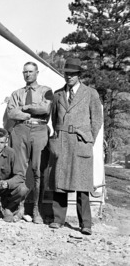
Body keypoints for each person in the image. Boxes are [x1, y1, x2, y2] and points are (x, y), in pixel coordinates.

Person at [48, 58, 102, 235]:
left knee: (82, 185)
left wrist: (88, 138)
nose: (69, 77)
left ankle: (85, 223)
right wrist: (57, 138)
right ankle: (58, 219)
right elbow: (54, 118)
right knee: (60, 182)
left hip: (80, 142)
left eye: (72, 74)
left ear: (79, 75)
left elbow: (97, 120)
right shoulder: (57, 95)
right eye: (66, 74)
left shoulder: (90, 93)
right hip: (62, 142)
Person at [7, 62, 53, 224]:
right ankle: (18, 208)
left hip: (39, 130)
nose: (28, 74)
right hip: (20, 130)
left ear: (37, 73)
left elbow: (45, 109)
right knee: (19, 169)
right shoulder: (16, 93)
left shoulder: (46, 91)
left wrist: (25, 107)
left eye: (31, 72)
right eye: (25, 72)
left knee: (38, 170)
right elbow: (11, 112)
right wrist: (28, 115)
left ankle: (37, 210)